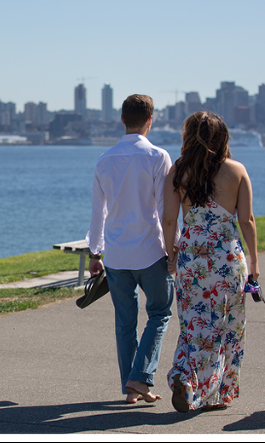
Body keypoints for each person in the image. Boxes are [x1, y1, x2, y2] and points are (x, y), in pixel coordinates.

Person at [162, 111, 259, 413]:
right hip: (228, 259)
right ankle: (218, 394)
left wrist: (171, 255)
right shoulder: (237, 171)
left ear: (188, 136)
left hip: (193, 259)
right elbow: (247, 220)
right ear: (223, 137)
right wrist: (255, 263)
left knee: (194, 325)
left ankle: (184, 377)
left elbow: (168, 220)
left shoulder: (178, 171)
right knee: (229, 326)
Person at [86, 94, 176, 404]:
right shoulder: (158, 156)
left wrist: (94, 254)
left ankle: (132, 387)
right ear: (150, 120)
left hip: (116, 256)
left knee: (125, 322)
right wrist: (172, 249)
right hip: (151, 251)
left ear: (122, 119)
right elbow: (166, 210)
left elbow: (99, 213)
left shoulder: (104, 160)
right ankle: (140, 379)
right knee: (160, 313)